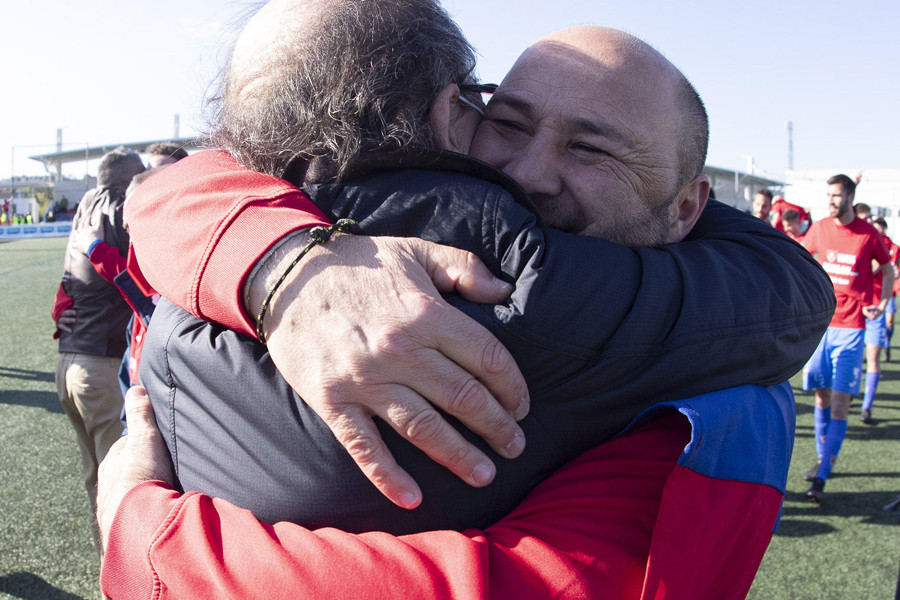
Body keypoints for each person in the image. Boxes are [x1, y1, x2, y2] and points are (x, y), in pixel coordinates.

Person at [101, 3, 831, 597]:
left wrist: (143, 532)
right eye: (507, 122)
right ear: (455, 115)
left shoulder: (725, 403)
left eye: (592, 149)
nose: (529, 171)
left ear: (685, 209)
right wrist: (282, 263)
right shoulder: (302, 235)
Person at [51, 146, 145, 555]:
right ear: (129, 182)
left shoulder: (86, 205)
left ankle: (108, 564)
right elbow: (135, 278)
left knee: (98, 476)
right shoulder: (119, 209)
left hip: (69, 365)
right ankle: (123, 574)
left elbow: (71, 280)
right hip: (100, 367)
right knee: (123, 480)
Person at [801, 174, 893, 502]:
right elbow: (800, 259)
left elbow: (887, 269)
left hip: (853, 330)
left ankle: (822, 475)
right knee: (822, 397)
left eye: (837, 195)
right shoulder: (820, 228)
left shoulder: (868, 235)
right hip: (821, 327)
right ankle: (823, 459)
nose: (831, 200)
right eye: (828, 195)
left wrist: (881, 303)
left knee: (840, 402)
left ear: (850, 196)